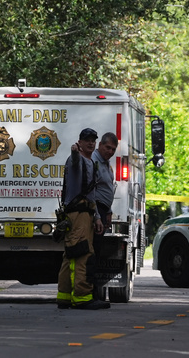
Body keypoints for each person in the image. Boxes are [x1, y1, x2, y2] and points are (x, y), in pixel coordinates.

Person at [56, 128, 109, 310]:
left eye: (93, 140)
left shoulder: (90, 162)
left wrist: (97, 217)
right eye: (87, 140)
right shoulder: (75, 160)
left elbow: (91, 193)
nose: (91, 143)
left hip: (83, 214)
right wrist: (73, 151)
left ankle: (64, 296)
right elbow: (75, 160)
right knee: (83, 253)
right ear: (80, 142)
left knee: (70, 254)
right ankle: (82, 297)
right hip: (78, 215)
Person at [90, 132, 118, 300]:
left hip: (102, 210)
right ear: (100, 145)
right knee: (92, 252)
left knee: (97, 252)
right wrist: (96, 216)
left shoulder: (106, 163)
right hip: (96, 210)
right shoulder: (94, 161)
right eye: (107, 148)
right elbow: (91, 191)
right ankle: (90, 292)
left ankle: (93, 291)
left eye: (113, 149)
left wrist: (108, 211)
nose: (110, 151)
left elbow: (107, 187)